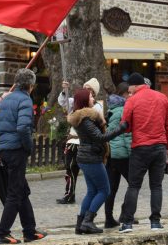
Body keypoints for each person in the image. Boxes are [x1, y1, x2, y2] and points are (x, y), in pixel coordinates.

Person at [0, 69, 46, 244]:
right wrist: (28, 147)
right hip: (16, 150)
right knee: (15, 193)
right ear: (30, 85)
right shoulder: (25, 100)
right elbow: (23, 128)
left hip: (5, 148)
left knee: (22, 191)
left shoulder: (6, 100)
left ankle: (29, 230)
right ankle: (2, 233)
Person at [118, 72, 168, 233]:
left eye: (129, 85)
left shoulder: (132, 100)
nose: (128, 88)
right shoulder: (162, 97)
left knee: (134, 185)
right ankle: (155, 222)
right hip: (159, 147)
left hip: (140, 147)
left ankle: (127, 222)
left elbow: (126, 126)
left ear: (135, 85)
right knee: (156, 186)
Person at [69, 89, 127, 234]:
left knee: (92, 191)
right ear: (84, 100)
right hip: (91, 158)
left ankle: (81, 223)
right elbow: (100, 138)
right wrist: (121, 129)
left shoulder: (83, 118)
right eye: (90, 96)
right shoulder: (85, 119)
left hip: (86, 157)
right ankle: (88, 222)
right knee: (104, 190)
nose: (93, 98)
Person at [56, 78, 103, 204]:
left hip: (84, 144)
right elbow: (63, 102)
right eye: (85, 88)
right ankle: (69, 194)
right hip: (72, 142)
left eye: (89, 90)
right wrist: (65, 91)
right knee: (70, 170)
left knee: (89, 173)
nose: (86, 91)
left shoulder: (97, 107)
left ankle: (93, 193)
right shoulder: (74, 103)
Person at [104, 82, 131, 228]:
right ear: (124, 94)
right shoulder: (123, 109)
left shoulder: (112, 107)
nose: (131, 96)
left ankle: (109, 218)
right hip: (122, 154)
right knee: (134, 183)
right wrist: (132, 153)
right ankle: (125, 214)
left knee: (111, 188)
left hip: (111, 154)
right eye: (130, 93)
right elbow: (126, 135)